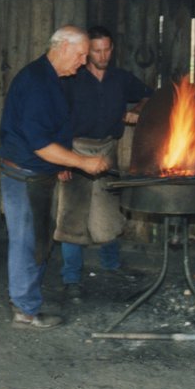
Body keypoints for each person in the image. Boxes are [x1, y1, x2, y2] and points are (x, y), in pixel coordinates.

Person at [0, 25, 110, 329]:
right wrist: (82, 162)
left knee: (37, 240)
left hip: (38, 172)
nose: (84, 61)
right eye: (81, 54)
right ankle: (24, 310)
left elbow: (50, 134)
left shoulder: (53, 78)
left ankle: (26, 301)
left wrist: (61, 163)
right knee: (27, 242)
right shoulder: (36, 83)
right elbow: (40, 144)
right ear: (61, 47)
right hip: (24, 175)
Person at [54, 26, 153, 301]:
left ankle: (112, 265)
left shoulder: (120, 79)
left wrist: (136, 109)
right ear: (87, 52)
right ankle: (71, 278)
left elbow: (149, 95)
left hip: (107, 149)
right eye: (97, 50)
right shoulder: (71, 79)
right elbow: (57, 117)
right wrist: (61, 160)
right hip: (75, 150)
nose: (103, 55)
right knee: (72, 216)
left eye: (107, 49)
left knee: (109, 211)